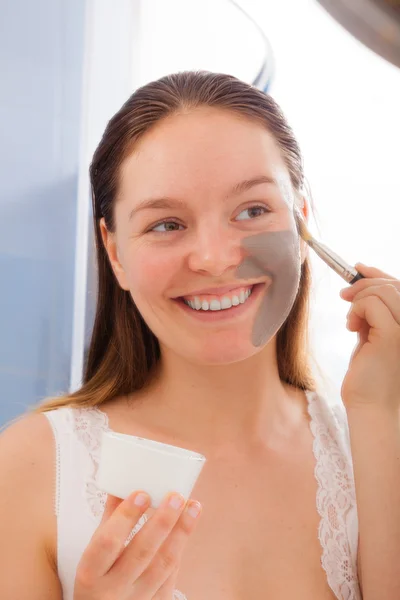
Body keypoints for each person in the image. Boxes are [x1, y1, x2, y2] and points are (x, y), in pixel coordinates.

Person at [1, 71, 399, 600]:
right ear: (115, 251)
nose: (213, 258)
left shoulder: (374, 443)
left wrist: (384, 414)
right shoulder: (26, 470)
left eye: (253, 210)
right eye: (167, 224)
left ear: (301, 223)